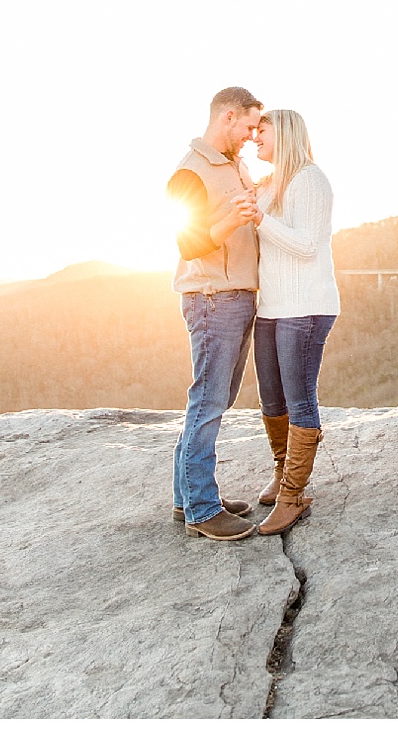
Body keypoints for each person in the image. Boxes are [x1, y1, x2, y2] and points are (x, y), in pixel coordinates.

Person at [166, 86, 265, 542]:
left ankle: (187, 497)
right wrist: (232, 220)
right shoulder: (190, 172)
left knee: (214, 399)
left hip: (237, 296)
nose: (250, 135)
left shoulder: (235, 166)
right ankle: (203, 512)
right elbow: (187, 241)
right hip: (211, 299)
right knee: (207, 402)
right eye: (247, 126)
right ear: (227, 117)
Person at [249, 109, 341, 536]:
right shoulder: (268, 186)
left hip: (305, 308)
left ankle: (294, 495)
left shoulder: (310, 181)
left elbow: (305, 246)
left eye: (261, 133)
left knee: (299, 398)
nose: (254, 140)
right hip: (271, 307)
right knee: (271, 396)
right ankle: (282, 471)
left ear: (282, 135)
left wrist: (259, 219)